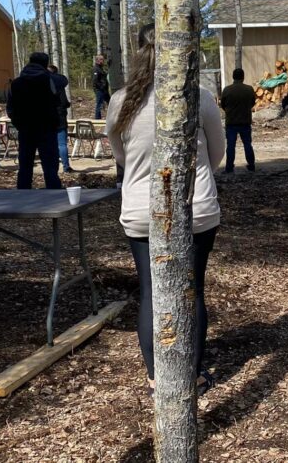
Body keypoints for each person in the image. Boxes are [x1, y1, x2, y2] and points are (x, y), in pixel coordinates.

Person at [107, 24, 225, 395]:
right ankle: (190, 374)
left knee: (150, 292)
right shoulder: (200, 97)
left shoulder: (120, 101)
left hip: (142, 209)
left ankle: (157, 375)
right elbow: (218, 153)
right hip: (196, 207)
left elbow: (122, 158)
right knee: (193, 289)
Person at [6, 52, 62, 189]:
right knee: (50, 166)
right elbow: (63, 84)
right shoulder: (50, 80)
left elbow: (10, 107)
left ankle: (23, 195)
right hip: (47, 128)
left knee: (25, 165)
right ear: (45, 64)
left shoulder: (16, 83)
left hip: (25, 129)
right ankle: (55, 196)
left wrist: (18, 123)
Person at [220, 67, 257, 173]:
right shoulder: (249, 89)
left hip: (231, 122)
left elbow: (223, 104)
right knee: (247, 144)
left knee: (231, 146)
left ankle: (229, 167)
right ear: (243, 77)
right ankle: (251, 165)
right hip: (245, 121)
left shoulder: (227, 90)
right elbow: (252, 103)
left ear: (233, 77)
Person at [47, 65, 74, 173]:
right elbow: (64, 102)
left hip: (48, 117)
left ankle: (51, 167)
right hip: (60, 116)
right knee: (62, 144)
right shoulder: (60, 84)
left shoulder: (42, 83)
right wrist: (66, 105)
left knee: (49, 143)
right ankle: (66, 166)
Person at [92, 55, 110, 119]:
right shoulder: (96, 69)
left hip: (104, 90)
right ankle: (97, 119)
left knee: (110, 102)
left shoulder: (101, 68)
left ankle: (111, 116)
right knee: (99, 104)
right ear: (98, 60)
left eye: (103, 59)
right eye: (102, 59)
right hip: (99, 90)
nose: (103, 61)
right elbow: (95, 80)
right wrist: (101, 87)